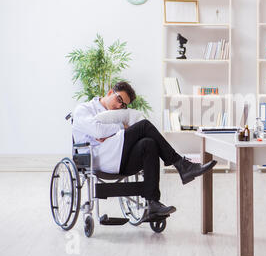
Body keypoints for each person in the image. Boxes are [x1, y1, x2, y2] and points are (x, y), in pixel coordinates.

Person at [72, 81, 217, 217]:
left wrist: (110, 132)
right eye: (119, 100)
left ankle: (153, 203)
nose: (119, 106)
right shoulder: (84, 109)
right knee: (144, 126)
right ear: (110, 92)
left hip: (120, 156)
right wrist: (121, 127)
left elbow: (104, 132)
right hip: (99, 158)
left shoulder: (117, 115)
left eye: (124, 106)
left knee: (149, 143)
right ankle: (182, 165)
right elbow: (97, 131)